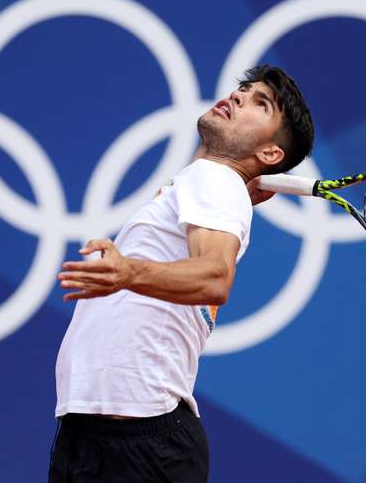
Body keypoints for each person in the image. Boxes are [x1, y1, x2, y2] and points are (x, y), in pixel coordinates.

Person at [48, 65, 315, 482]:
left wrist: (127, 273)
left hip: (137, 447)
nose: (239, 96)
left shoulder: (215, 180)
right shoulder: (207, 183)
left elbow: (215, 277)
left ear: (270, 155)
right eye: (244, 89)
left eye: (259, 104)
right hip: (93, 438)